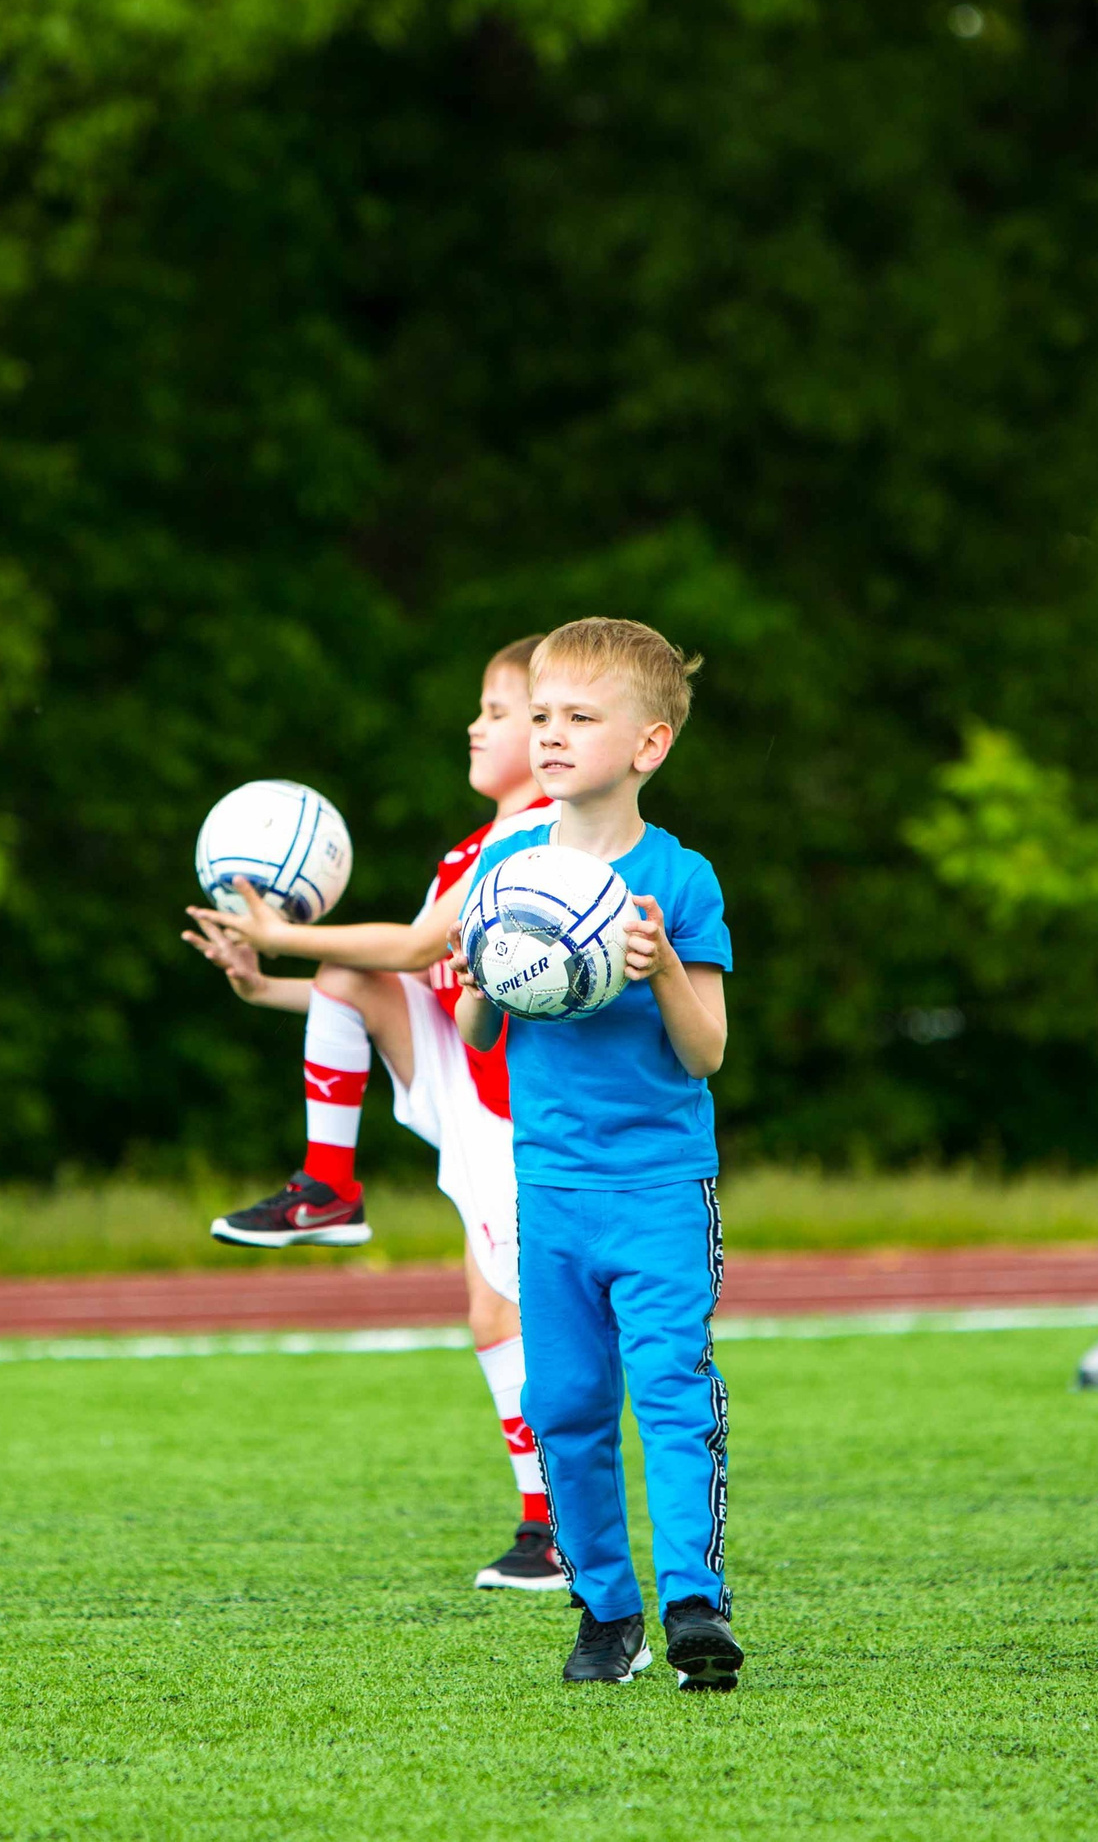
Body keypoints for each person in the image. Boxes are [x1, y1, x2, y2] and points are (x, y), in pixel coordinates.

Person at [182, 636, 566, 1591]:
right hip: (467, 1074)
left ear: (549, 732)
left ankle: (554, 1530)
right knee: (347, 973)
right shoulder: (468, 848)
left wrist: (283, 931)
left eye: (496, 711)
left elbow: (417, 945)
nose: (475, 725)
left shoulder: (544, 831)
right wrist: (263, 983)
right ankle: (328, 1187)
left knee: (508, 1315)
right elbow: (391, 982)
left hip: (518, 1106)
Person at [452, 616, 744, 1690]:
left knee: (670, 1390)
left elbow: (705, 1051)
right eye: (541, 716)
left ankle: (694, 1604)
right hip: (551, 1187)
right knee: (567, 1405)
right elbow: (478, 1030)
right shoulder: (506, 866)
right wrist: (485, 975)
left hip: (660, 1186)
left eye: (580, 717)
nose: (551, 735)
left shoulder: (682, 878)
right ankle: (606, 1611)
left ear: (649, 744)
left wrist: (658, 965)